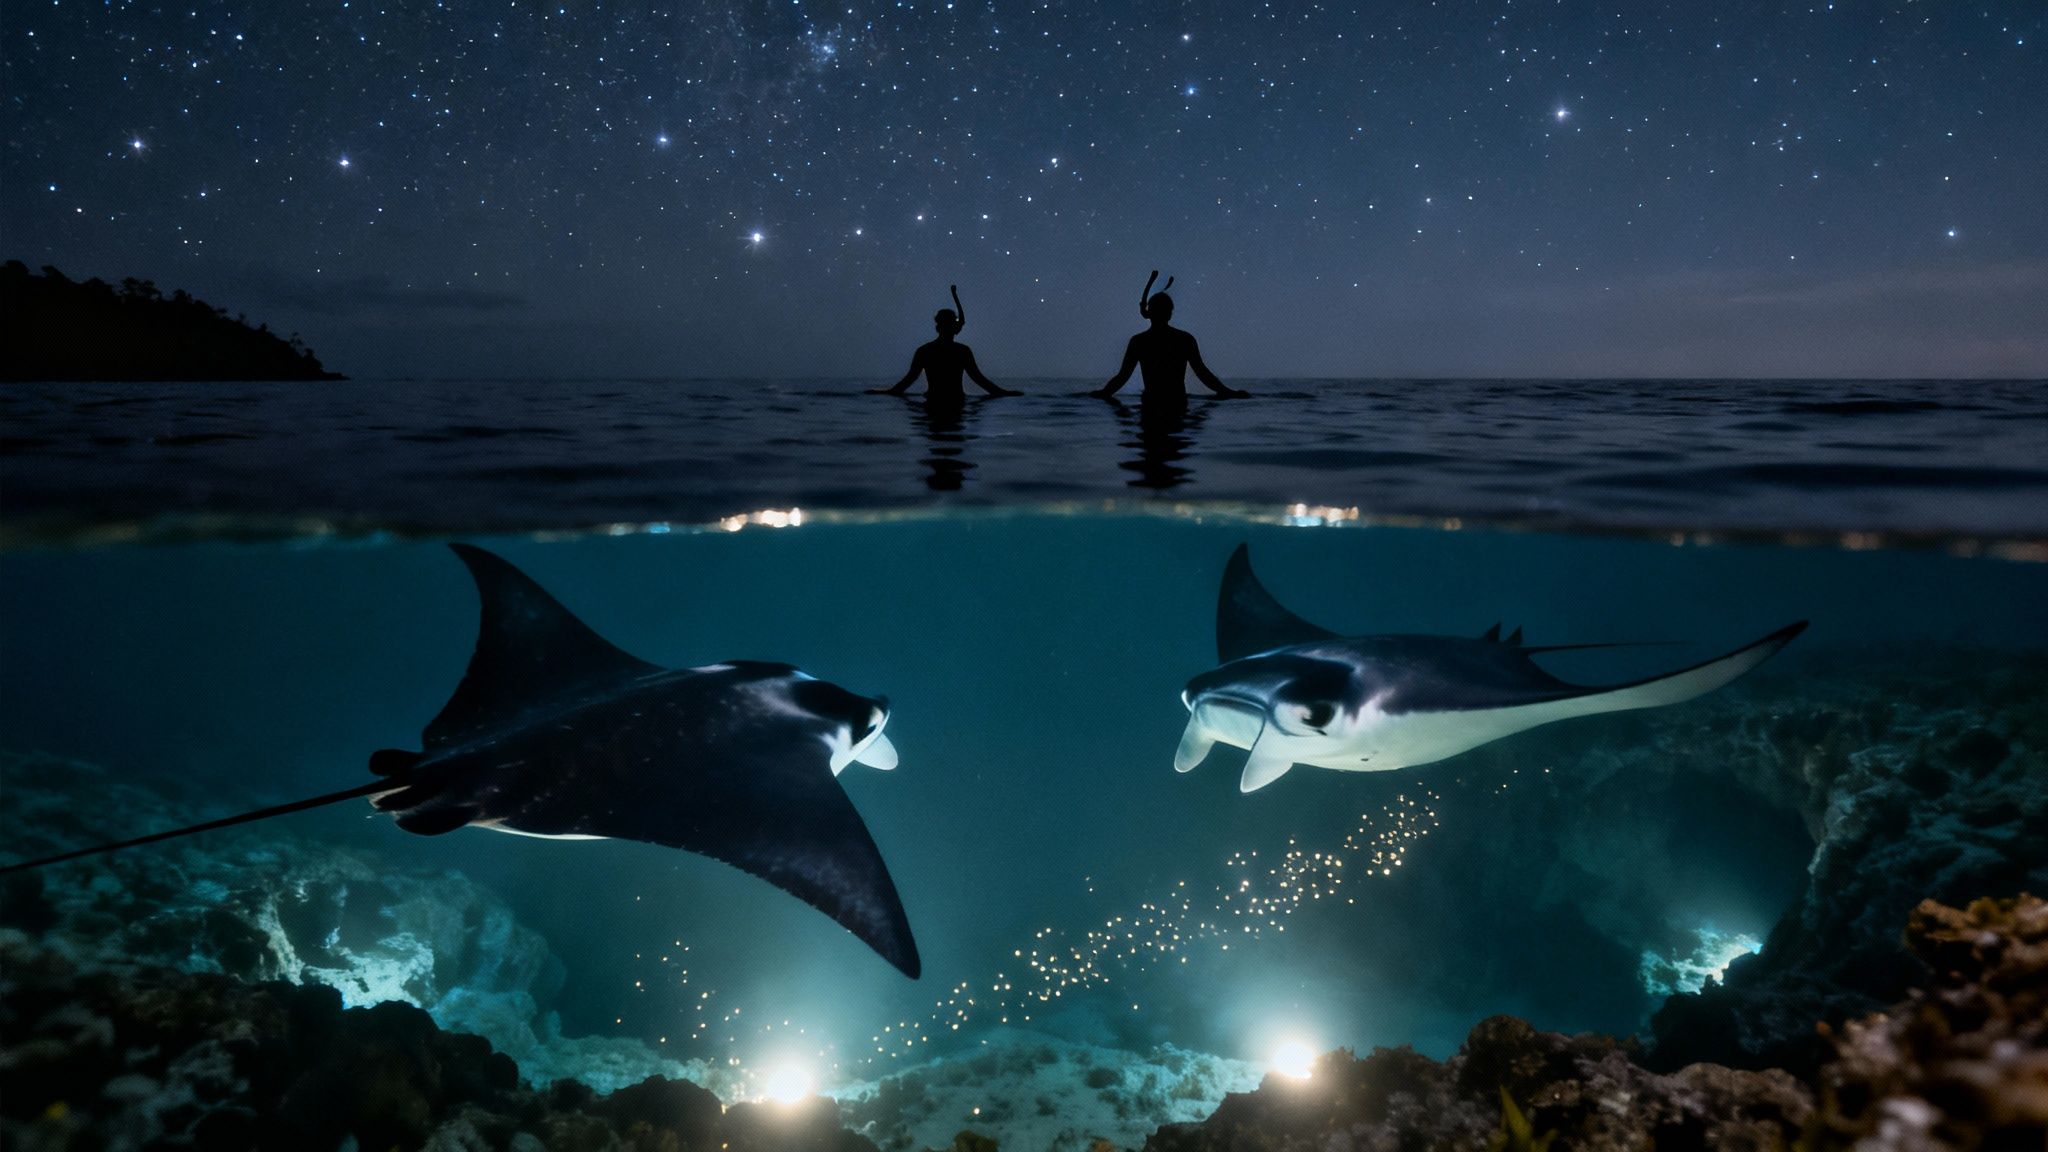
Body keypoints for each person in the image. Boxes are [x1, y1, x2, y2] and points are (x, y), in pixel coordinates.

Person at [1092, 271, 1249, 399]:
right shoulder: (1184, 340)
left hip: (1150, 407)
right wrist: (1228, 392)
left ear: (1150, 313)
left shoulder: (1139, 342)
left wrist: (1103, 394)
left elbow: (1122, 377)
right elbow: (1202, 373)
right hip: (1178, 404)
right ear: (1170, 314)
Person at [869, 285, 1020, 398]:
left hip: (932, 405)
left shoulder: (925, 351)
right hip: (956, 404)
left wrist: (884, 393)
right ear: (954, 328)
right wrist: (1004, 393)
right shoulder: (961, 351)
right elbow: (980, 380)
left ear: (938, 327)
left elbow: (905, 383)